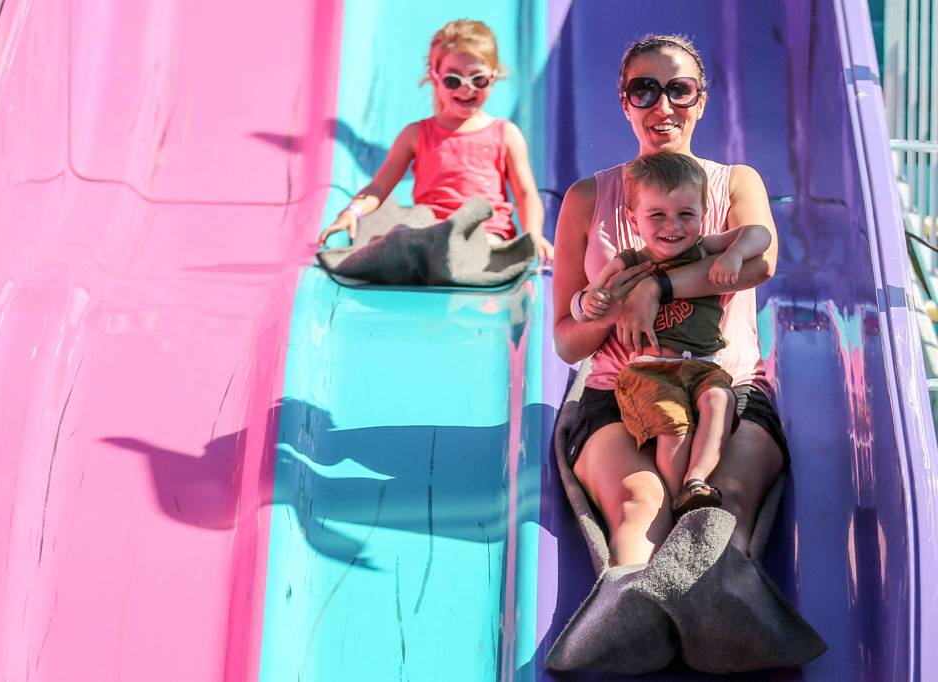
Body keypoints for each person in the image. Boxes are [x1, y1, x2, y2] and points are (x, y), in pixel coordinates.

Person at [552, 34, 788, 566]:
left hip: (727, 385)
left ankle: (725, 628)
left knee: (720, 508)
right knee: (643, 506)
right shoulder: (589, 197)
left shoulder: (735, 182)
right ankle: (629, 620)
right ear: (625, 101)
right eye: (645, 90)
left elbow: (761, 261)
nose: (663, 106)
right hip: (620, 390)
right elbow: (567, 343)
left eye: (680, 91)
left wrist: (657, 288)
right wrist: (614, 303)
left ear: (700, 101)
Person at [578, 151, 772, 518]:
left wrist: (732, 255)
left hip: (704, 366)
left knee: (720, 401)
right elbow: (593, 295)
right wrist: (594, 302)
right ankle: (674, 497)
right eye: (658, 216)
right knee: (673, 426)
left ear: (703, 215)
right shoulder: (630, 261)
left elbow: (759, 235)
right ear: (634, 221)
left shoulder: (704, 249)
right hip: (652, 369)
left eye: (687, 214)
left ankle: (694, 482)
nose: (673, 226)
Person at [317, 19, 553, 262]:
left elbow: (526, 193)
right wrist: (352, 212)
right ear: (434, 77)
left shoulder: (505, 133)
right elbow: (378, 187)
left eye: (478, 79)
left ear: (493, 77)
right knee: (407, 236)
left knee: (474, 250)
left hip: (484, 232)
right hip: (430, 230)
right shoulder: (416, 134)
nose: (466, 88)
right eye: (453, 80)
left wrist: (533, 234)